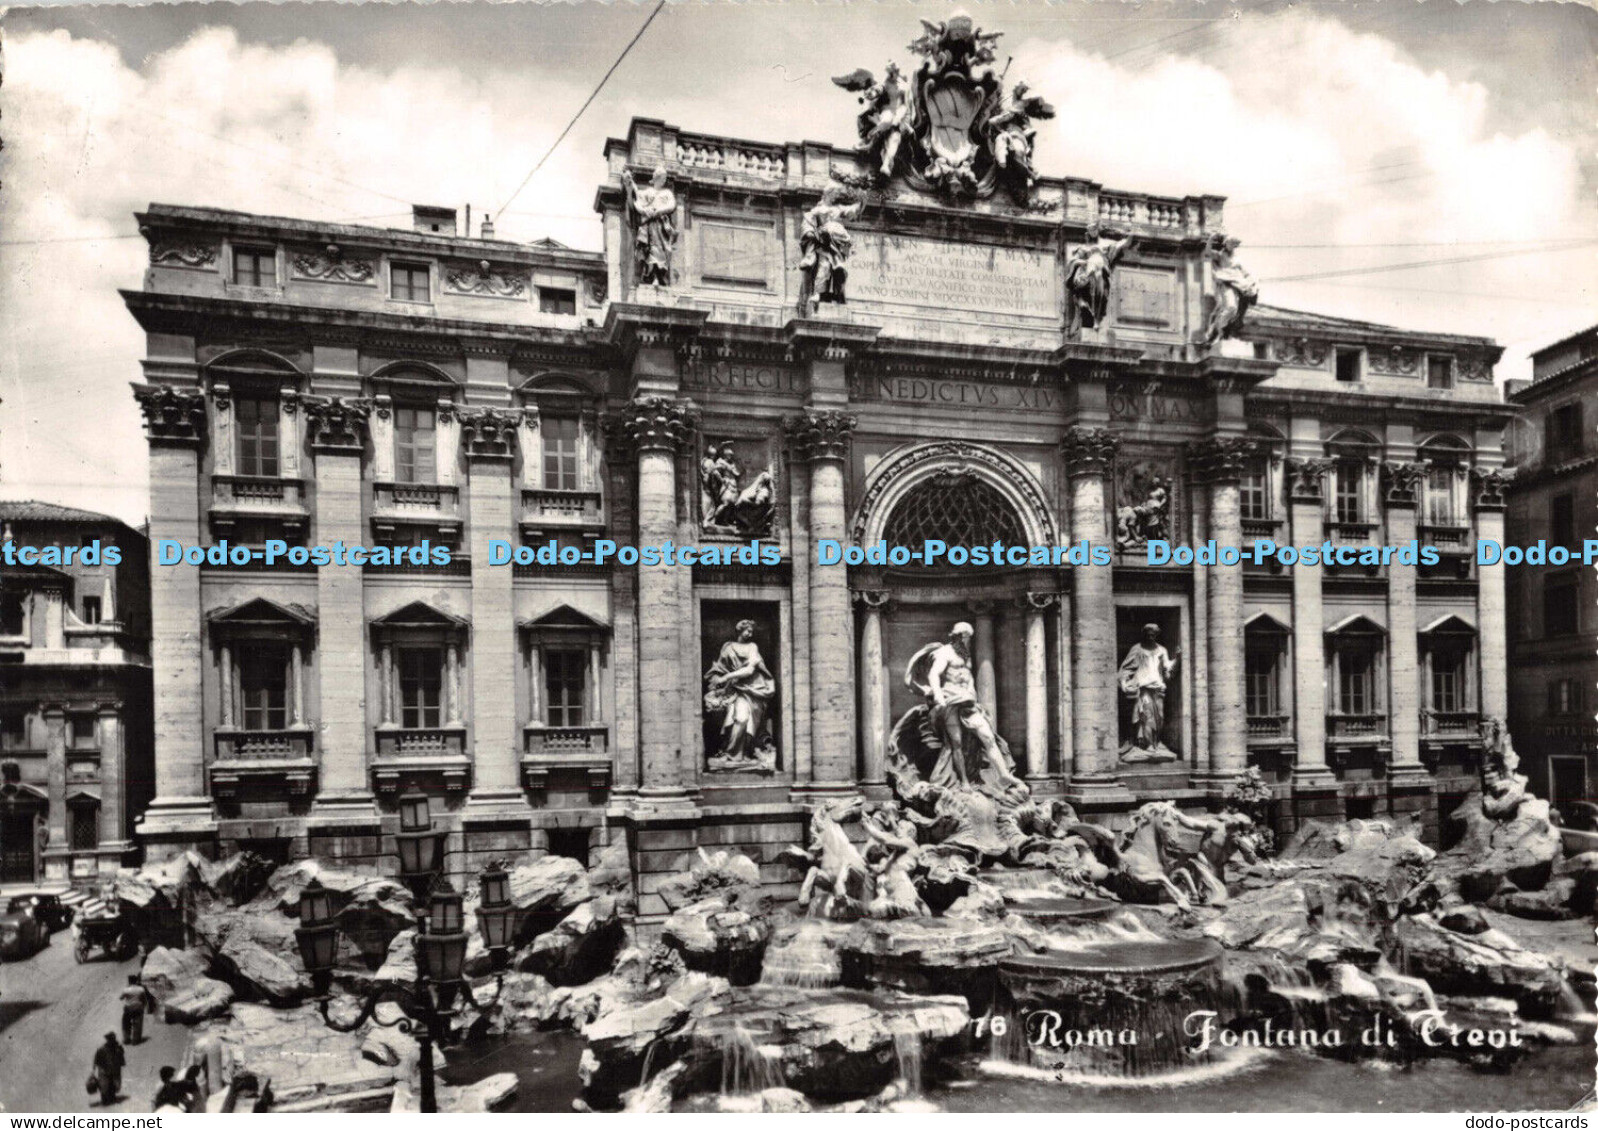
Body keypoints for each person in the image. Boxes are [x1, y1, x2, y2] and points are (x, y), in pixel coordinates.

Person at [703, 619, 777, 768]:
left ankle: (741, 754)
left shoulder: (752, 647)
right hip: (735, 690)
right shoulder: (728, 647)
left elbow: (749, 670)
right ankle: (732, 754)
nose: (750, 633)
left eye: (752, 631)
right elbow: (719, 668)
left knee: (746, 721)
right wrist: (718, 680)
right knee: (740, 719)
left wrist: (727, 677)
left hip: (754, 690)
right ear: (739, 630)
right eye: (748, 630)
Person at [1118, 624, 1178, 755]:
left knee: (1160, 716)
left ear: (1156, 635)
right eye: (1148, 634)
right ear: (1144, 634)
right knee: (1146, 715)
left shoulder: (1162, 650)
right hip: (1143, 687)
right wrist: (1123, 682)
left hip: (1158, 687)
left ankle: (1156, 742)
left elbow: (1168, 669)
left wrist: (1177, 659)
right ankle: (1147, 745)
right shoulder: (1137, 649)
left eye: (1153, 635)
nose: (1150, 637)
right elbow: (1126, 668)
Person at [91, 1033, 124, 1106]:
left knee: (114, 1084)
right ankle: (105, 1099)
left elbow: (121, 1058)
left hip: (114, 1070)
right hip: (104, 1070)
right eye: (110, 1039)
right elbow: (96, 1059)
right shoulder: (101, 1049)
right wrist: (93, 1070)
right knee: (104, 1085)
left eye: (112, 1039)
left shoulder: (118, 1048)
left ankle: (112, 1097)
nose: (111, 1041)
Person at [119, 975, 151, 1045]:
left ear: (129, 981)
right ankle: (135, 1040)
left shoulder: (126, 989)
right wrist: (145, 1007)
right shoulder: (141, 989)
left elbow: (121, 998)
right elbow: (144, 1000)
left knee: (126, 1023)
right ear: (136, 981)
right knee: (138, 1023)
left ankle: (126, 1039)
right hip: (138, 1007)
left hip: (128, 1008)